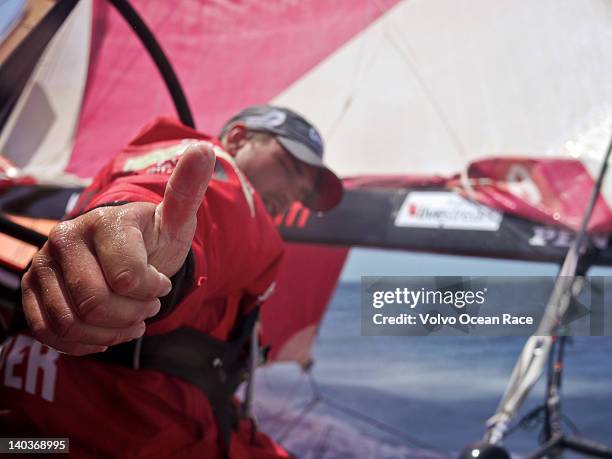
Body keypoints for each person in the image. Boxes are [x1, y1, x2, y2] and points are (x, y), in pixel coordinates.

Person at [0, 106, 343, 458]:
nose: (292, 195)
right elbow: (165, 202)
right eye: (288, 168)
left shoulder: (142, 160)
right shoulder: (227, 183)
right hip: (125, 435)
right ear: (238, 138)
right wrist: (142, 253)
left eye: (303, 191)